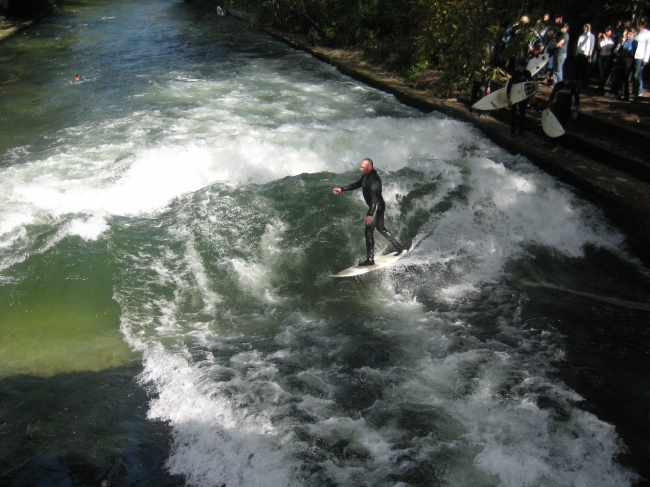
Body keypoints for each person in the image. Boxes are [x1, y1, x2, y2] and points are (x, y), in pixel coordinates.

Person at [332, 158, 402, 266]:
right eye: (360, 166)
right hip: (377, 207)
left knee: (368, 231)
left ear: (369, 168)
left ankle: (370, 259)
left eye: (362, 167)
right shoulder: (366, 176)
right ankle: (397, 246)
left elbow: (374, 199)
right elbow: (356, 184)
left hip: (377, 207)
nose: (360, 169)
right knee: (381, 228)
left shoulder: (374, 181)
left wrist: (370, 215)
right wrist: (341, 189)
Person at [546, 68, 580, 152]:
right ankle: (554, 144)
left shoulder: (572, 87)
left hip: (566, 109)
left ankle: (559, 143)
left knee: (562, 126)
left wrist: (575, 111)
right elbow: (552, 95)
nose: (566, 82)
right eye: (565, 80)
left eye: (568, 80)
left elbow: (577, 99)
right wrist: (548, 106)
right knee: (555, 125)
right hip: (557, 108)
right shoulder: (558, 85)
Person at [507, 59, 532, 136]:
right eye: (521, 67)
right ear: (519, 67)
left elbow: (530, 85)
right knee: (513, 114)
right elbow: (509, 86)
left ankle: (521, 132)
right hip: (514, 95)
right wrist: (508, 98)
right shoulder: (514, 74)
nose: (522, 69)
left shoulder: (527, 73)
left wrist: (531, 96)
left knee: (522, 115)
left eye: (523, 67)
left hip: (522, 96)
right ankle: (512, 131)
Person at [633, 18, 650, 98]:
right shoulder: (638, 33)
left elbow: (648, 47)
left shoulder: (647, 33)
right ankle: (636, 90)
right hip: (634, 55)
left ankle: (638, 91)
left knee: (638, 75)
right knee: (636, 74)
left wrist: (646, 59)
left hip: (641, 56)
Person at [575, 24, 595, 88]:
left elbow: (592, 46)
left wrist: (590, 55)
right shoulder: (581, 36)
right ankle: (577, 82)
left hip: (586, 55)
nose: (585, 30)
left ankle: (582, 83)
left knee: (584, 70)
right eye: (584, 29)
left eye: (586, 29)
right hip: (579, 53)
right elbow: (578, 44)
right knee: (578, 69)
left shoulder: (591, 36)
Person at [597, 27, 616, 95]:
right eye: (606, 32)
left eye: (609, 32)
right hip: (601, 56)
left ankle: (601, 88)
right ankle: (600, 88)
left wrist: (605, 39)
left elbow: (608, 47)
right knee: (601, 73)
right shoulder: (602, 39)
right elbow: (600, 46)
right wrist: (599, 39)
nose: (607, 33)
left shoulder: (613, 40)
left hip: (607, 57)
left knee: (604, 73)